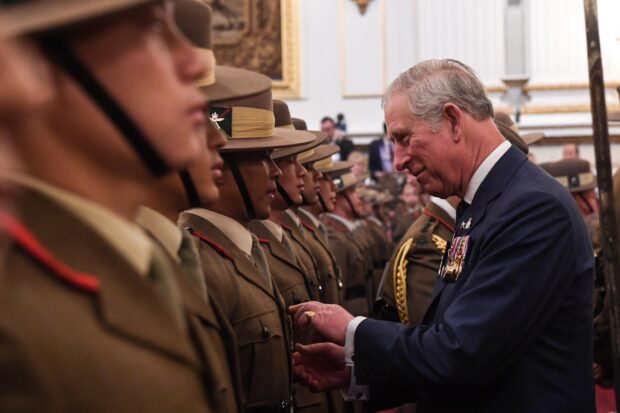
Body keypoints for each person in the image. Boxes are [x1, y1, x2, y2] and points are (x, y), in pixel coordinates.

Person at [289, 59, 595, 412]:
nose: (398, 161)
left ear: (452, 120)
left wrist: (353, 330)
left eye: (404, 138)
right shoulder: (487, 203)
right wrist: (355, 369)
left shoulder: (531, 208)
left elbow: (462, 353)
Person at [0, 0, 220, 411]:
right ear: (36, 60)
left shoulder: (149, 260)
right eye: (154, 30)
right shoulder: (17, 323)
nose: (194, 62)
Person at [178, 83, 314, 412]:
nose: (277, 171)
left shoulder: (244, 250)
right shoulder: (198, 266)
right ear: (220, 167)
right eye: (262, 157)